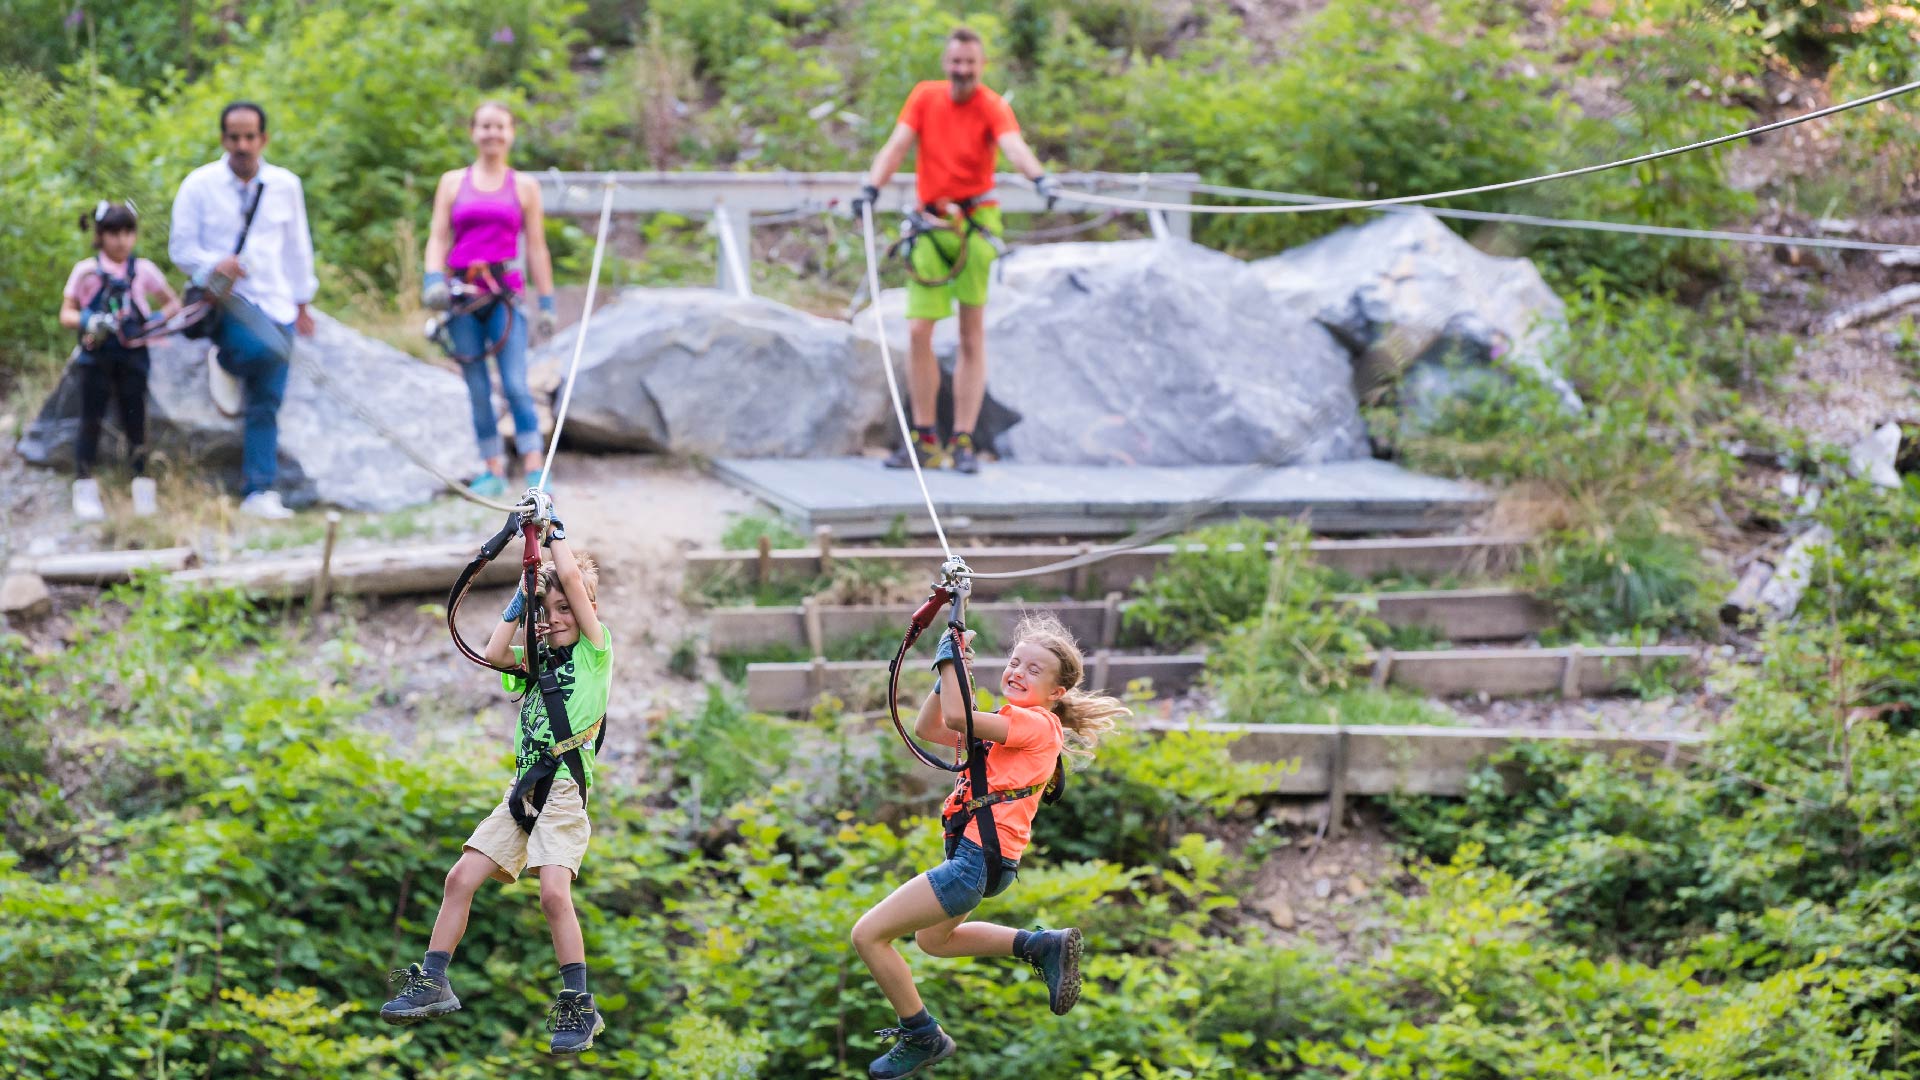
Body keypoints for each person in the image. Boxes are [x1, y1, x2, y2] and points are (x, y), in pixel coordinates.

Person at [849, 612, 1128, 1079]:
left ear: (1056, 694)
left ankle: (921, 1033)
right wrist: (949, 673)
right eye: (1015, 662)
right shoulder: (1006, 729)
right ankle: (1037, 945)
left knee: (867, 935)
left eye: (1033, 670)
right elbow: (932, 727)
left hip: (976, 860)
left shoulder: (1037, 726)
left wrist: (949, 660)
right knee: (932, 941)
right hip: (986, 860)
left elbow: (958, 717)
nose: (1017, 672)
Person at [380, 498, 613, 1056]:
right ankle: (434, 979)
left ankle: (579, 1005)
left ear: (583, 612)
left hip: (561, 795)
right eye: (546, 611)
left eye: (564, 609)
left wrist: (553, 531)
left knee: (553, 893)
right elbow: (489, 651)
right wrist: (519, 600)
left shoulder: (595, 655)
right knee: (459, 878)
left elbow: (576, 589)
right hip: (523, 794)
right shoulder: (536, 665)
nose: (555, 618)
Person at [853, 25, 1058, 475]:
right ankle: (925, 440)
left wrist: (1039, 177)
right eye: (956, 62)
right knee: (919, 331)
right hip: (930, 224)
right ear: (947, 64)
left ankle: (962, 441)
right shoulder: (925, 97)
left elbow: (1013, 146)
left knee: (971, 333)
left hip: (975, 226)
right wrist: (871, 187)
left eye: (970, 63)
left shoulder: (992, 106)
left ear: (981, 66)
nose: (962, 70)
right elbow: (896, 146)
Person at [169, 101, 319, 520]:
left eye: (249, 136)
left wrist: (303, 302)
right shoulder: (198, 185)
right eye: (234, 137)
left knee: (267, 397)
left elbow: (297, 247)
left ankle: (259, 489)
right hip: (225, 305)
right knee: (264, 353)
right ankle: (226, 359)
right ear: (223, 139)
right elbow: (180, 248)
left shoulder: (284, 185)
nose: (242, 145)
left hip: (276, 301)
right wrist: (213, 265)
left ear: (263, 139)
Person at [422, 101, 559, 497]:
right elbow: (438, 235)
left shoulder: (524, 186)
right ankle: (492, 468)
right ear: (473, 132)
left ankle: (534, 465)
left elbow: (536, 248)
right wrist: (433, 277)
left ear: (511, 133)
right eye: (485, 126)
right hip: (462, 298)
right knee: (477, 387)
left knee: (516, 383)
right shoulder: (452, 183)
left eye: (499, 126)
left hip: (505, 299)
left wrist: (546, 302)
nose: (492, 134)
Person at [58, 201, 180, 522]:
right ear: (100, 235)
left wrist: (151, 321)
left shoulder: (144, 270)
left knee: (135, 419)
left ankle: (141, 485)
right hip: (95, 356)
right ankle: (84, 486)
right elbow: (66, 313)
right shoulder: (86, 271)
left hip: (134, 354)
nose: (121, 240)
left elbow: (172, 303)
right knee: (90, 419)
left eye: (127, 232)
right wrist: (89, 320)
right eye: (113, 233)